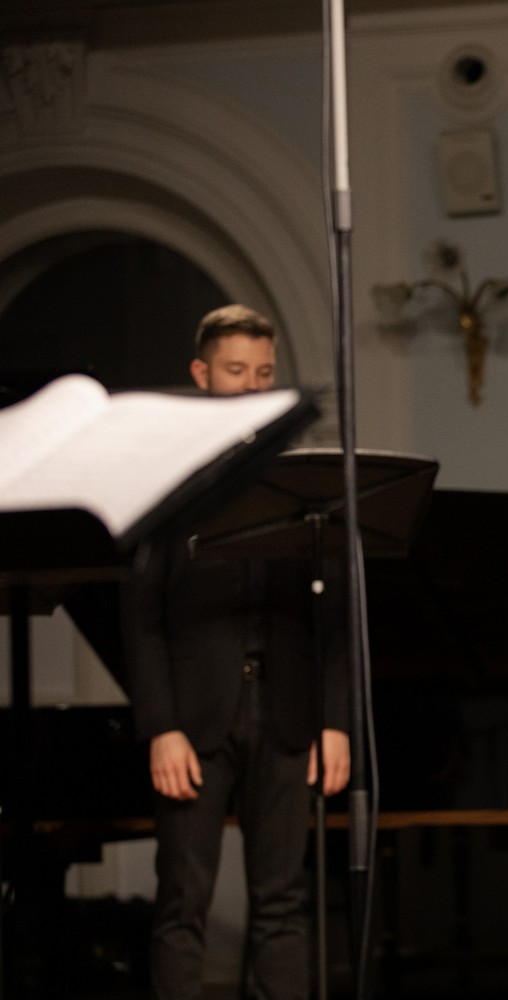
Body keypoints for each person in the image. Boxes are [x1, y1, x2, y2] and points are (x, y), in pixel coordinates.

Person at [125, 304, 351, 1000]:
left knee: (284, 899)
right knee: (182, 900)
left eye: (263, 372)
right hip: (195, 718)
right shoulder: (167, 478)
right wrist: (161, 727)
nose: (252, 385)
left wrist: (335, 721)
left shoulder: (298, 479)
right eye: (235, 371)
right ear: (202, 374)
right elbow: (140, 616)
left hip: (285, 713)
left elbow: (331, 618)